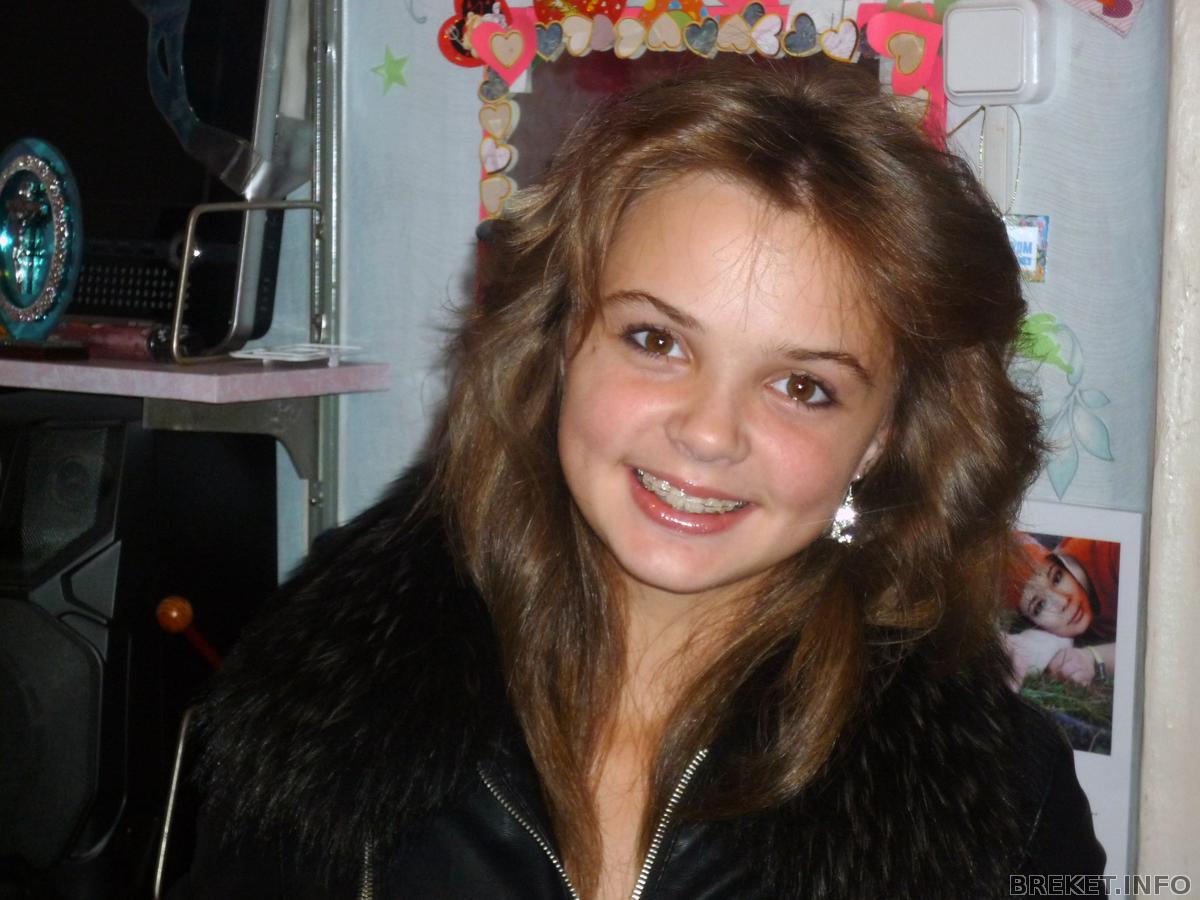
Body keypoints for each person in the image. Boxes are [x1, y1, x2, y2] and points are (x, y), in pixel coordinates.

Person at [169, 60, 1105, 899]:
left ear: (880, 439)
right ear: (559, 340)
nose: (707, 433)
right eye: (656, 340)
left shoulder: (1002, 807)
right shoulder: (322, 702)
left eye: (803, 386)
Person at [1006, 533, 1119, 688]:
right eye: (1040, 606)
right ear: (1032, 622)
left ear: (1062, 561)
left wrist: (1093, 657)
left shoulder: (1112, 549)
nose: (1063, 602)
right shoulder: (1057, 625)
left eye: (1057, 578)